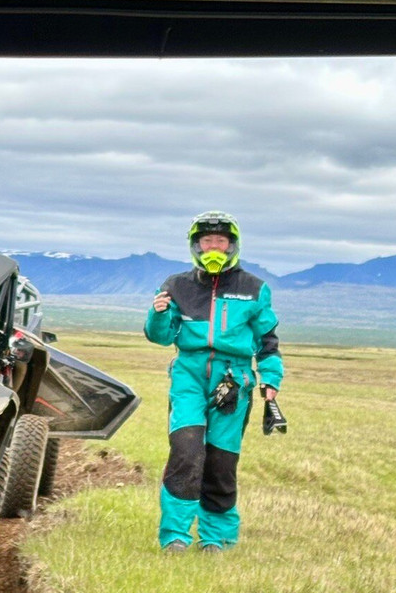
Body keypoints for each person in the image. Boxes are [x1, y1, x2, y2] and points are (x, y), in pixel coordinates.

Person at [145, 211, 284, 553]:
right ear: (196, 246)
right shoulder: (175, 285)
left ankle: (216, 539)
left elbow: (268, 339)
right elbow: (161, 337)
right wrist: (158, 314)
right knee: (186, 452)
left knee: (221, 461)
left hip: (233, 379)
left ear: (232, 245)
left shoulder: (254, 288)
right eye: (207, 241)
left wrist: (270, 378)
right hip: (189, 375)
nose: (214, 247)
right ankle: (175, 536)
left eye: (221, 241)